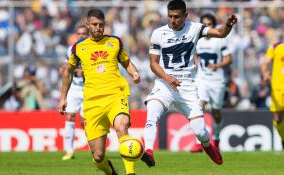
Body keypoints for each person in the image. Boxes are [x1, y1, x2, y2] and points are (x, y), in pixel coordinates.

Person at [142, 0, 237, 167]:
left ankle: (207, 146)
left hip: (187, 87)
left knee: (200, 131)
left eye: (177, 17)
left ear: (185, 15)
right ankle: (148, 152)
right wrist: (167, 77)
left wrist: (228, 25)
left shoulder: (195, 28)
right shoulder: (158, 33)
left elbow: (221, 33)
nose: (173, 20)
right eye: (170, 16)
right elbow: (153, 63)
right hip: (164, 85)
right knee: (152, 112)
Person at [58, 8, 141, 175]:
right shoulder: (78, 48)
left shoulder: (115, 42)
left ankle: (131, 173)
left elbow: (126, 61)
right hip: (93, 102)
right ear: (87, 24)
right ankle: (111, 173)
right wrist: (63, 98)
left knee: (122, 125)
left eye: (101, 25)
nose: (98, 28)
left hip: (115, 95)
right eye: (94, 24)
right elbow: (68, 72)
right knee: (98, 156)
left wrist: (134, 72)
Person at [191, 13, 233, 152]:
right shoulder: (198, 40)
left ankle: (216, 139)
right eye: (204, 24)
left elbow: (229, 58)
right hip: (202, 79)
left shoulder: (219, 40)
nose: (206, 27)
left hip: (217, 81)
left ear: (213, 25)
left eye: (209, 24)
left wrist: (217, 65)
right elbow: (195, 56)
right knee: (199, 106)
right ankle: (199, 142)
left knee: (216, 112)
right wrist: (195, 64)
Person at [60, 25, 88, 161]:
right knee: (70, 116)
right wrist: (63, 69)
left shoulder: (92, 48)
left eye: (84, 34)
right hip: (74, 88)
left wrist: (85, 72)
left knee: (85, 122)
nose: (81, 36)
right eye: (79, 34)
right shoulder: (71, 49)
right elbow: (67, 67)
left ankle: (95, 149)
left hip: (89, 89)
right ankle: (69, 151)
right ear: (75, 35)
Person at [261, 40, 284, 151]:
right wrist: (265, 73)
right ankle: (283, 140)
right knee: (278, 118)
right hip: (277, 88)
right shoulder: (275, 46)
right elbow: (265, 63)